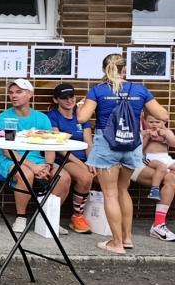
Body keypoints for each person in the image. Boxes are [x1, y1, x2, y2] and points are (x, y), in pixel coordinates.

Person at [76, 53, 170, 254]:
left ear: (104, 69)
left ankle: (116, 243)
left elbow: (82, 118)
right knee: (122, 190)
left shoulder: (98, 91)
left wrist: (80, 106)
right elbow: (163, 114)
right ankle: (127, 239)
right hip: (131, 144)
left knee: (110, 194)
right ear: (124, 70)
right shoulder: (139, 90)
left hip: (107, 144)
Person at [0, 79, 71, 235]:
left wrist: (48, 166)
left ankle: (47, 218)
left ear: (30, 94)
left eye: (19, 92)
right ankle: (21, 217)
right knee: (26, 174)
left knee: (64, 177)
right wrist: (33, 167)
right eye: (11, 92)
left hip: (38, 160)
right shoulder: (6, 118)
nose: (14, 96)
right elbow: (7, 150)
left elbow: (50, 145)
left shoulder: (41, 118)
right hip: (10, 159)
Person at [45, 82, 95, 234]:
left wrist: (91, 161)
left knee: (109, 174)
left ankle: (108, 218)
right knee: (86, 177)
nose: (69, 100)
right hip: (64, 159)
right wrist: (81, 164)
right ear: (56, 100)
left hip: (83, 159)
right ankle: (77, 217)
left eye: (71, 96)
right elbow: (58, 146)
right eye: (64, 97)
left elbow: (88, 143)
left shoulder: (80, 116)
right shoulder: (52, 116)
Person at [133, 112, 175, 242]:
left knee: (171, 178)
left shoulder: (164, 130)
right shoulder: (139, 128)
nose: (154, 124)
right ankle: (158, 224)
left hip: (163, 161)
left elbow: (173, 142)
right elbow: (139, 151)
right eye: (151, 122)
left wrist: (165, 134)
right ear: (144, 120)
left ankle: (158, 224)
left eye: (158, 122)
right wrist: (146, 136)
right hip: (141, 161)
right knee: (170, 177)